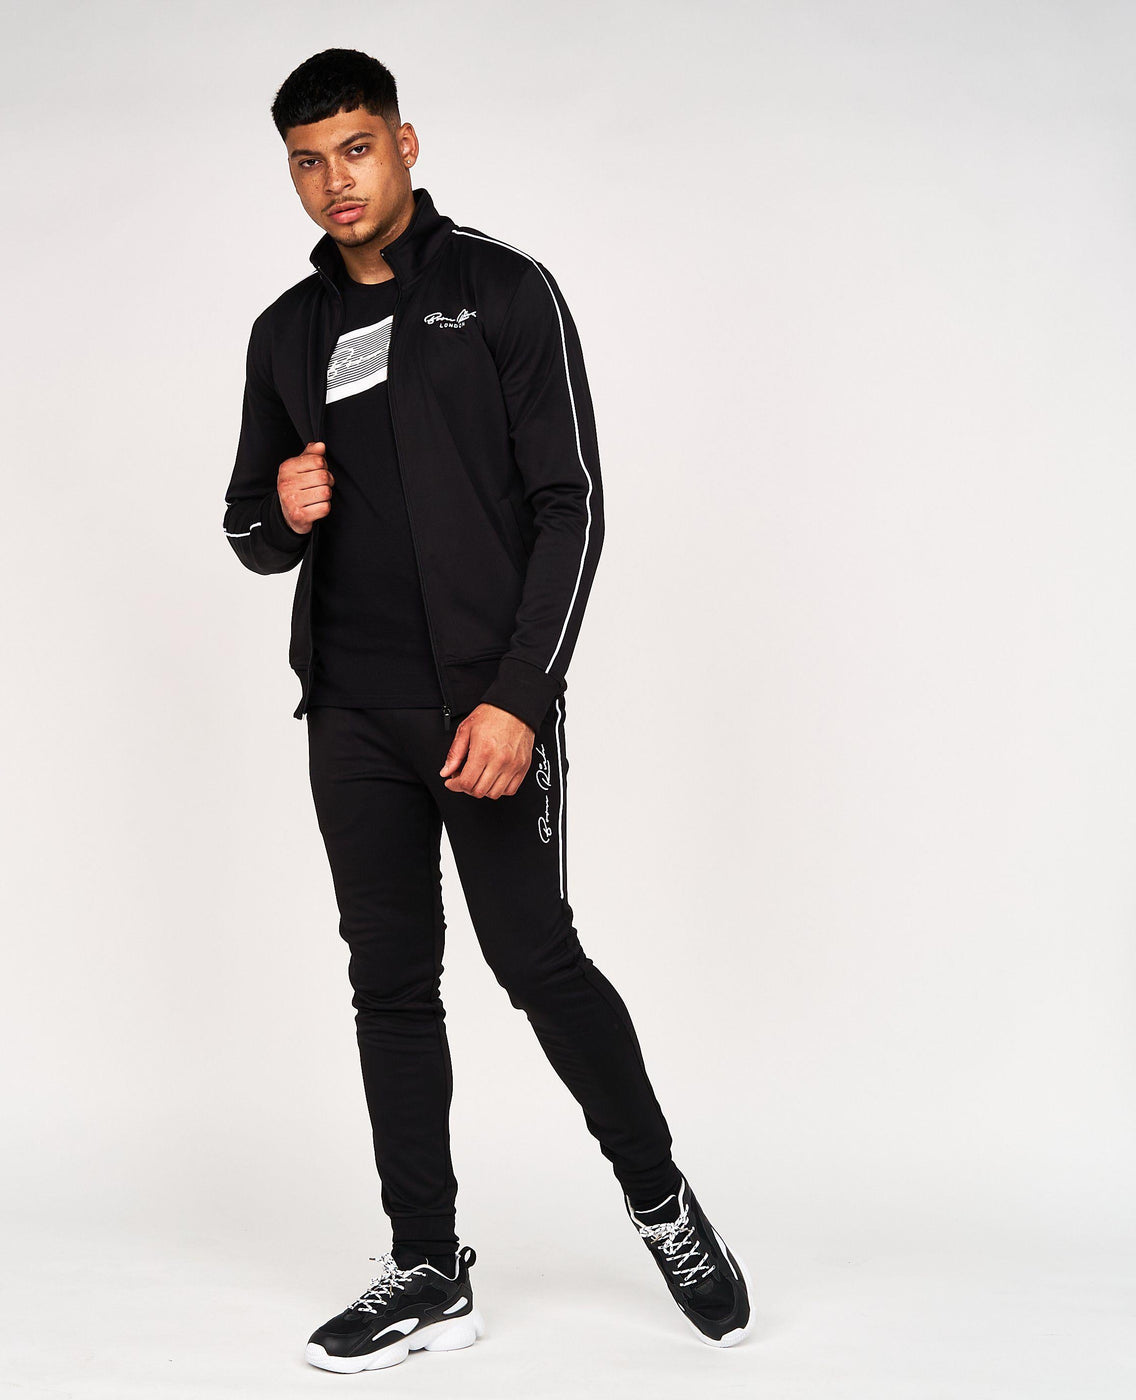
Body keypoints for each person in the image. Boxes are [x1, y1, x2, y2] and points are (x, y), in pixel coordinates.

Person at [222, 48, 753, 1372]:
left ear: (404, 143)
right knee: (389, 981)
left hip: (484, 706)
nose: (335, 183)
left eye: (355, 149)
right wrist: (276, 514)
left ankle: (660, 1201)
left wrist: (521, 697)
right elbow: (247, 524)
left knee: (536, 959)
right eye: (307, 163)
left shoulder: (504, 293)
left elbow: (572, 504)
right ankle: (426, 1264)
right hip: (352, 710)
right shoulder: (285, 333)